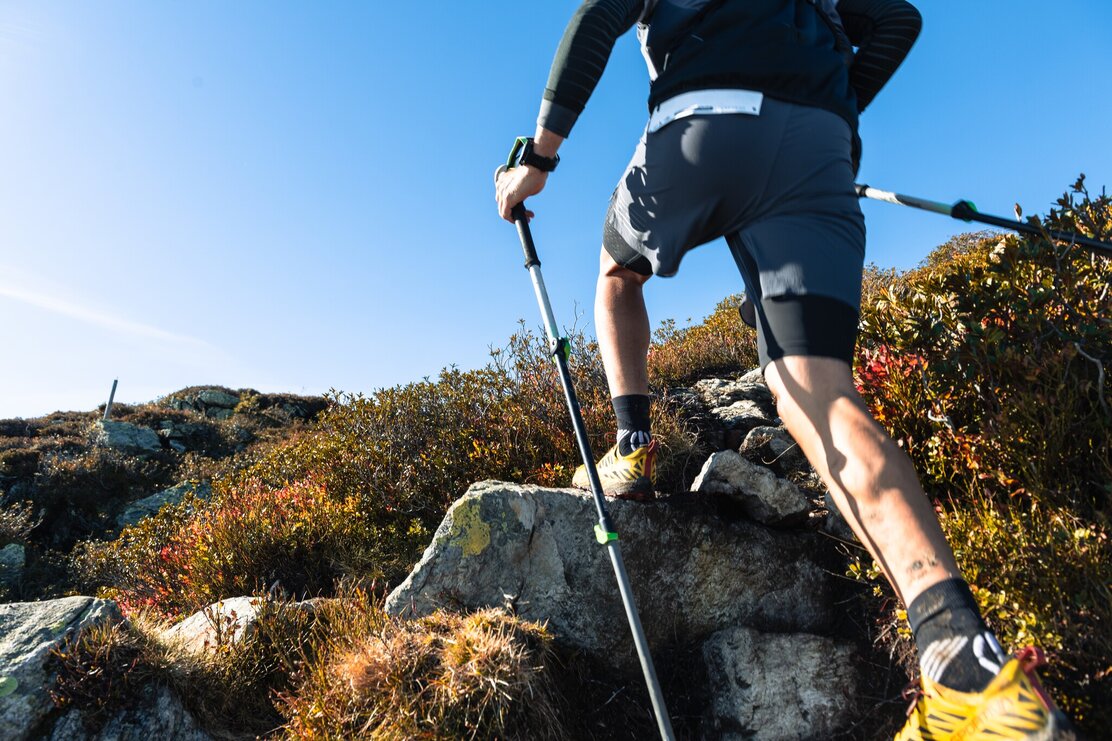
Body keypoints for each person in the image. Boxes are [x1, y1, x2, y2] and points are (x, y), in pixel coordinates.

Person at [494, 1, 1074, 738]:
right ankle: (970, 671)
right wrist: (829, 105)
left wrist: (538, 158)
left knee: (616, 269)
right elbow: (897, 21)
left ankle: (632, 446)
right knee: (823, 392)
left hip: (703, 123)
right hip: (818, 147)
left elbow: (600, 12)